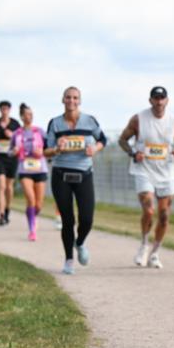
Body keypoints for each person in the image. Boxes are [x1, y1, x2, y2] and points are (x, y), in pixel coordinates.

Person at [119, 86, 174, 269]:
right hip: (143, 170)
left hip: (166, 173)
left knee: (165, 215)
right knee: (149, 210)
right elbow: (122, 140)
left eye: (162, 98)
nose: (159, 102)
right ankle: (144, 245)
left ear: (167, 101)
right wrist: (134, 153)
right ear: (150, 100)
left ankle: (155, 252)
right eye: (156, 98)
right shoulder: (139, 119)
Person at [44, 87, 106, 274]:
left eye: (75, 98)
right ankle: (69, 259)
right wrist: (56, 149)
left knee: (87, 218)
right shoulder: (55, 123)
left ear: (79, 101)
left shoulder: (89, 121)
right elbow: (46, 150)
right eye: (68, 97)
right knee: (67, 219)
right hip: (61, 174)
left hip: (84, 173)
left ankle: (79, 243)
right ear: (63, 100)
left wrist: (94, 149)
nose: (71, 101)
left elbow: (102, 139)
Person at [10, 104, 49, 241]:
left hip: (40, 168)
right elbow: (9, 151)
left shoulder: (40, 131)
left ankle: (33, 216)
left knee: (38, 204)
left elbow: (49, 148)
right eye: (27, 114)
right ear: (21, 116)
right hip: (24, 169)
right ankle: (32, 230)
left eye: (31, 114)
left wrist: (42, 151)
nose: (29, 116)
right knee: (30, 199)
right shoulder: (16, 134)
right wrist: (13, 151)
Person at [0, 100, 21, 226]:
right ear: (0, 110)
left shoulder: (15, 123)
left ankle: (7, 209)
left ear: (9, 110)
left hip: (12, 158)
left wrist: (11, 135)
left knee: (9, 187)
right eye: (2, 108)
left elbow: (20, 138)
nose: (4, 110)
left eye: (6, 108)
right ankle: (1, 214)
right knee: (1, 185)